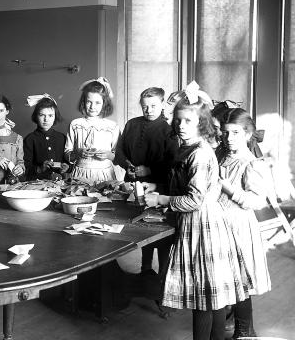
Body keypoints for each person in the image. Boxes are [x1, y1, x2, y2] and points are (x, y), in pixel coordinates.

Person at [143, 82, 252, 340]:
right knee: (209, 296)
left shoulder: (200, 155)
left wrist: (161, 199)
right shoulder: (186, 148)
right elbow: (183, 185)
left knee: (203, 298)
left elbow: (194, 200)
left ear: (201, 123)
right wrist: (157, 186)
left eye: (188, 121)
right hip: (199, 224)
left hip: (204, 226)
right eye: (178, 120)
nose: (181, 125)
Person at [217, 108, 271, 338]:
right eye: (226, 133)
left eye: (236, 133)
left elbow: (257, 201)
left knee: (240, 281)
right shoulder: (221, 156)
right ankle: (222, 325)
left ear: (248, 134)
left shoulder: (252, 163)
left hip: (238, 227)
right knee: (222, 278)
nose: (229, 139)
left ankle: (245, 330)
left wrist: (229, 189)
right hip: (218, 225)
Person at [114, 87, 179, 276]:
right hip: (133, 183)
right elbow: (120, 151)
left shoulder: (169, 130)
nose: (148, 110)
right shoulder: (132, 124)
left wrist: (149, 170)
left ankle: (163, 278)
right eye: (144, 106)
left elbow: (173, 163)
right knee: (139, 228)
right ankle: (145, 268)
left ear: (162, 104)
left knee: (159, 232)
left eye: (153, 106)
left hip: (159, 187)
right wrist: (127, 165)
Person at [64, 77, 120, 184]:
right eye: (89, 102)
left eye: (97, 103)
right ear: (83, 102)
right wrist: (78, 152)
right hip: (80, 173)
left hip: (104, 174)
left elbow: (118, 156)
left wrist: (108, 155)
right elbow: (67, 153)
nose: (92, 106)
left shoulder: (112, 126)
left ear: (104, 103)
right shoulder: (75, 124)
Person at [23, 94, 69, 180]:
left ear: (55, 117)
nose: (46, 119)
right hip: (37, 184)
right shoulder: (30, 139)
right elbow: (25, 168)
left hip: (60, 184)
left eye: (50, 115)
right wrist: (40, 168)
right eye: (42, 115)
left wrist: (67, 167)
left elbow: (68, 162)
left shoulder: (62, 138)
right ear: (36, 116)